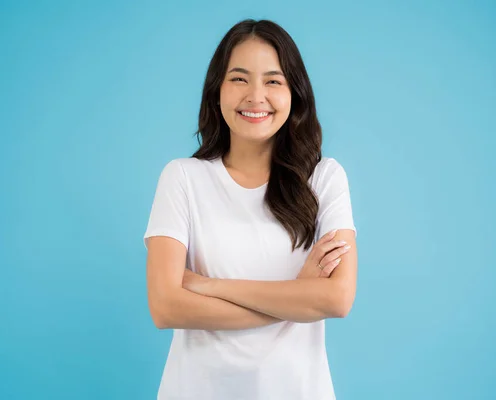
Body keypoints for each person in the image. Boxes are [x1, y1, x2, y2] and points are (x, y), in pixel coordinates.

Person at [143, 18, 358, 400]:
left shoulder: (325, 179)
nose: (255, 96)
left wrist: (209, 287)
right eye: (239, 79)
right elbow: (165, 306)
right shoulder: (182, 178)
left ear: (295, 92)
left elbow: (336, 300)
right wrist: (297, 297)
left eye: (273, 81)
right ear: (217, 91)